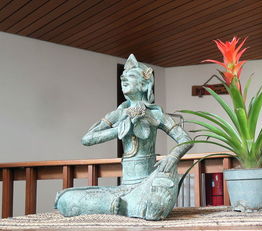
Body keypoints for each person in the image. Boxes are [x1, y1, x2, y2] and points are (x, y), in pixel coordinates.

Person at [55, 54, 193, 220]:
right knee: (65, 200)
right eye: (122, 79)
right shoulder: (118, 114)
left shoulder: (156, 114)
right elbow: (87, 139)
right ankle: (124, 206)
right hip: (125, 187)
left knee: (156, 205)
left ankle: (119, 206)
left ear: (145, 84)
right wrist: (120, 129)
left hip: (149, 181)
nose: (124, 81)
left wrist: (173, 156)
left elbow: (186, 139)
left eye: (131, 77)